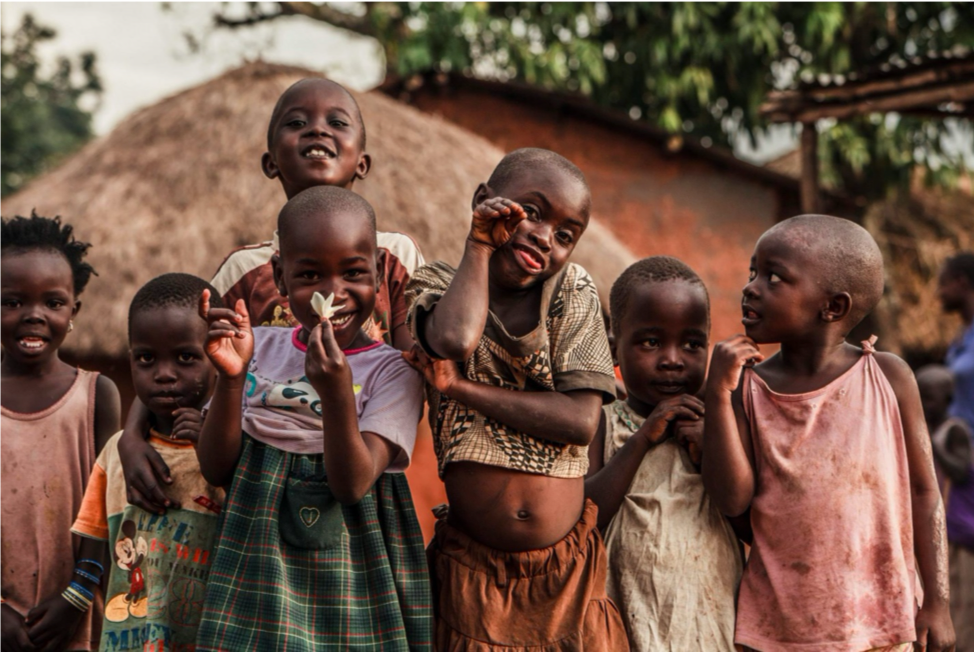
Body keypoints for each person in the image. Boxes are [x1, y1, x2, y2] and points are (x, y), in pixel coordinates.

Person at [119, 77, 424, 515]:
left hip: (361, 471)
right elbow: (182, 354)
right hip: (257, 486)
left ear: (363, 162)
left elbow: (418, 367)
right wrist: (131, 436)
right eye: (296, 122)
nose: (318, 130)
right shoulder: (245, 269)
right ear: (270, 163)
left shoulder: (395, 255)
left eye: (337, 122)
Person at [405, 148, 628, 650]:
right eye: (532, 212)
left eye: (565, 235)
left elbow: (578, 422)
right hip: (473, 574)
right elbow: (456, 340)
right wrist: (479, 247)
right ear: (485, 200)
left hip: (565, 576)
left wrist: (460, 388)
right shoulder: (435, 284)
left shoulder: (572, 290)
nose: (545, 237)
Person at [194, 186, 431, 651]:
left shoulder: (394, 371)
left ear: (380, 273)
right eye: (309, 275)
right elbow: (217, 467)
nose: (331, 294)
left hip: (355, 552)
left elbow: (352, 485)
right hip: (255, 545)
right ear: (280, 279)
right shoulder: (256, 347)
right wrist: (231, 379)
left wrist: (339, 394)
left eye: (353, 273)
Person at [703, 214, 954, 651]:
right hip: (780, 629)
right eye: (753, 272)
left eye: (774, 277)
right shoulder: (748, 388)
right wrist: (716, 397)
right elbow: (733, 501)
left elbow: (924, 492)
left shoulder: (887, 377)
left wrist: (937, 601)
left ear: (833, 307)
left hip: (881, 622)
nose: (751, 287)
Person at [585, 256, 742, 652]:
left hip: (711, 620)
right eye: (651, 342)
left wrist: (711, 450)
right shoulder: (602, 423)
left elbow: (751, 525)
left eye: (692, 344)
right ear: (614, 350)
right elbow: (582, 519)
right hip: (623, 622)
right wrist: (641, 440)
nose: (672, 359)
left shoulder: (722, 427)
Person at [71, 273, 225, 651]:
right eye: (146, 359)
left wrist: (211, 446)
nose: (165, 374)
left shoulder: (233, 451)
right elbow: (96, 547)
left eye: (186, 357)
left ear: (219, 356)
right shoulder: (115, 454)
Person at [0, 213, 120, 651]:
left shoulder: (97, 396)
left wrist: (76, 597)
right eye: (12, 302)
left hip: (75, 615)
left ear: (74, 311)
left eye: (52, 303)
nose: (34, 316)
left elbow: (108, 505)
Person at [937, 252, 974, 652]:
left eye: (943, 283)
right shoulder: (962, 339)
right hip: (959, 467)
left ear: (963, 282)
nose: (938, 293)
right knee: (959, 565)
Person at [916, 364, 971, 493]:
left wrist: (931, 445)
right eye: (918, 397)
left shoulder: (955, 429)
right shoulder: (918, 426)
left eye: (929, 398)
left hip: (949, 507)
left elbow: (961, 473)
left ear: (948, 399)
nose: (922, 404)